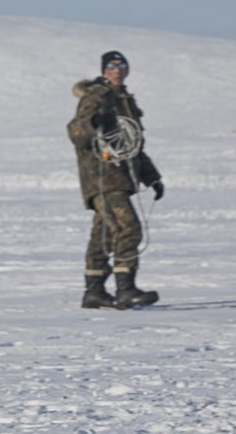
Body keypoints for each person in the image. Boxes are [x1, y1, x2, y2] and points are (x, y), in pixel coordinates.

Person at [67, 50, 164, 309]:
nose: (118, 70)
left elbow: (133, 144)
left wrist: (152, 177)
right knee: (128, 227)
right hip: (102, 177)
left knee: (104, 234)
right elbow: (76, 131)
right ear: (103, 70)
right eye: (112, 66)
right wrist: (96, 122)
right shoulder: (96, 96)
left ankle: (94, 291)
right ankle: (126, 289)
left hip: (122, 176)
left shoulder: (124, 100)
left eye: (122, 65)